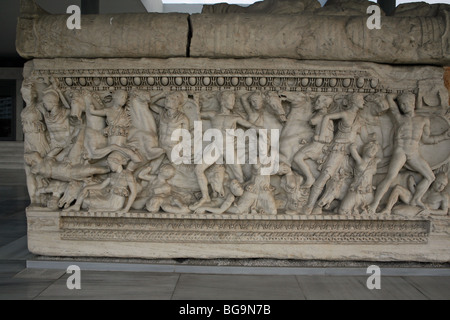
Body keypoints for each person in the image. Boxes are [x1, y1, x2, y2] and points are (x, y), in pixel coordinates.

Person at [368, 93, 450, 213]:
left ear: (412, 103)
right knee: (390, 177)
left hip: (414, 153)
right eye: (401, 104)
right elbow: (390, 99)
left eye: (405, 103)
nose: (403, 106)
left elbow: (427, 139)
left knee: (430, 177)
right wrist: (397, 93)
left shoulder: (423, 120)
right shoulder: (399, 118)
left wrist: (443, 136)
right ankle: (374, 205)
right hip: (400, 151)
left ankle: (416, 199)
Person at [304, 93, 365, 214]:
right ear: (355, 101)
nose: (363, 101)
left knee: (339, 180)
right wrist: (321, 136)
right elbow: (327, 117)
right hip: (338, 148)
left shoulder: (359, 119)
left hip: (349, 152)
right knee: (326, 175)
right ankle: (309, 206)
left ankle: (320, 204)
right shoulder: (346, 114)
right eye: (361, 99)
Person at [292, 95, 334, 188]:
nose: (316, 103)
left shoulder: (324, 117)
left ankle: (310, 178)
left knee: (297, 158)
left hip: (318, 146)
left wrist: (320, 138)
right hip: (315, 143)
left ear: (325, 105)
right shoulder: (322, 116)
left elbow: (329, 136)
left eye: (319, 101)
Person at [339, 138, 380, 215]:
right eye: (372, 148)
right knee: (342, 211)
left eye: (375, 150)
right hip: (356, 191)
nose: (374, 151)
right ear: (365, 149)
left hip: (368, 193)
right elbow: (352, 150)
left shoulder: (375, 161)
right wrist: (352, 145)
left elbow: (381, 158)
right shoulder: (359, 160)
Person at [380, 173, 449, 216]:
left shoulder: (443, 196)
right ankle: (387, 209)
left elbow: (444, 211)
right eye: (439, 183)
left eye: (443, 185)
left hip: (420, 209)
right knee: (398, 188)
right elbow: (416, 196)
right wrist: (411, 185)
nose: (441, 187)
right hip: (414, 201)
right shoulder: (426, 187)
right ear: (434, 181)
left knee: (396, 211)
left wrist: (429, 211)